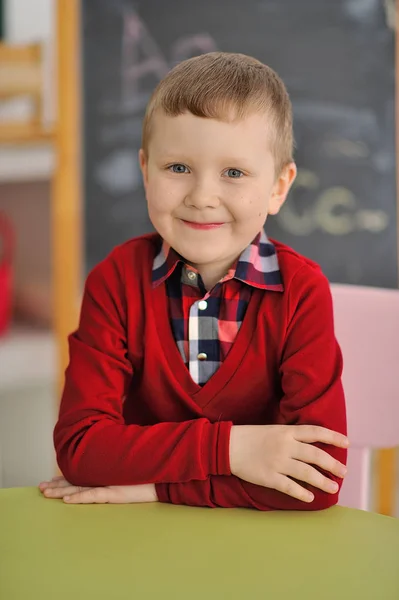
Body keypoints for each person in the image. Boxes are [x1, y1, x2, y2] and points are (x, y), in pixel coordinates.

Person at [39, 52, 348, 510]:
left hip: (264, 556)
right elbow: (82, 451)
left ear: (278, 187)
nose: (203, 197)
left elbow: (316, 480)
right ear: (145, 171)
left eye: (234, 173)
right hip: (139, 547)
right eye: (178, 168)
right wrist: (234, 451)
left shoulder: (301, 292)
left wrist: (153, 488)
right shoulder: (115, 282)